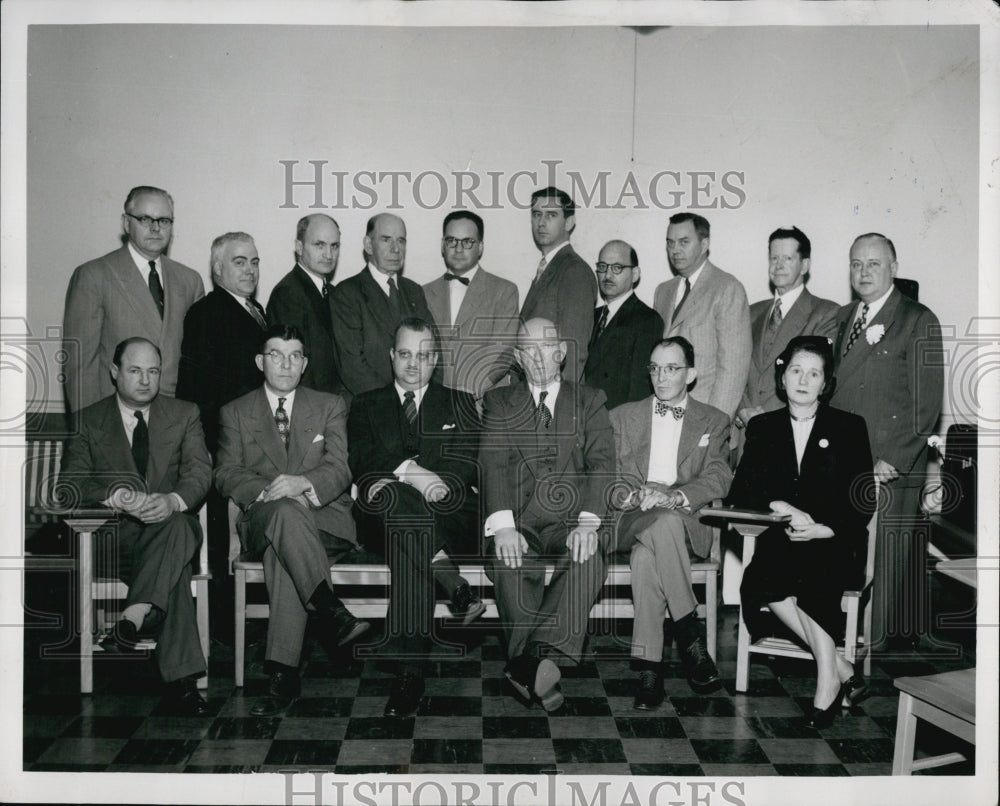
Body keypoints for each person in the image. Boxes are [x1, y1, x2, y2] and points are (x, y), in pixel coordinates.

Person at [215, 325, 369, 716]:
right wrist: (270, 491)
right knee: (284, 515)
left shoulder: (330, 404)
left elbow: (340, 467)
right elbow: (226, 472)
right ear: (259, 361)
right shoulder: (234, 411)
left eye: (294, 356)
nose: (285, 363)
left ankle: (283, 667)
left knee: (284, 550)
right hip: (264, 516)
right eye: (276, 354)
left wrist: (302, 482)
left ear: (304, 364)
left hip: (324, 521)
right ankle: (326, 606)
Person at [727, 335, 876, 728]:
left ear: (826, 383)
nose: (804, 380)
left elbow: (862, 500)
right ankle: (842, 668)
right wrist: (783, 506)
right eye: (796, 370)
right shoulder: (762, 427)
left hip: (836, 540)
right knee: (762, 577)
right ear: (783, 377)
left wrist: (824, 529)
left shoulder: (849, 427)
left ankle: (826, 684)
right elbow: (742, 492)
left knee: (815, 572)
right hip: (784, 538)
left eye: (814, 373)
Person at [59, 337, 211, 714]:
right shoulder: (88, 420)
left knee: (176, 527)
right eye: (134, 370)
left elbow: (199, 472)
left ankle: (130, 617)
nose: (145, 380)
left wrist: (171, 500)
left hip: (172, 528)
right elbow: (69, 487)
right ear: (115, 372)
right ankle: (183, 684)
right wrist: (119, 496)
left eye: (153, 371)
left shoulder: (185, 413)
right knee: (174, 567)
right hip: (114, 541)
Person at [348, 317, 483, 717]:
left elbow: (467, 467)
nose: (413, 364)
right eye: (405, 354)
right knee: (395, 504)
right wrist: (415, 474)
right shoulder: (365, 404)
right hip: (382, 522)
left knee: (402, 517)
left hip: (448, 515)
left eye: (423, 356)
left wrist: (405, 480)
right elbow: (362, 462)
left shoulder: (460, 402)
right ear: (391, 356)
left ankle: (409, 675)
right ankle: (444, 572)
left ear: (436, 359)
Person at [480, 317, 615, 711]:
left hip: (571, 522)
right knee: (508, 562)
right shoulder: (500, 402)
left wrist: (589, 523)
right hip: (520, 523)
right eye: (527, 349)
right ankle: (539, 668)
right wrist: (503, 527)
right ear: (518, 358)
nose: (537, 356)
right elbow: (492, 464)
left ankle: (526, 661)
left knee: (589, 557)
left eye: (545, 347)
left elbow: (603, 463)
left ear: (562, 352)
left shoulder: (589, 401)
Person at [830, 233, 943, 650]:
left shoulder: (916, 318)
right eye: (856, 264)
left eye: (873, 264)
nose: (863, 272)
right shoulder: (843, 316)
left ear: (893, 268)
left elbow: (926, 405)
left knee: (885, 564)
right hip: (844, 461)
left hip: (888, 466)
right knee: (844, 554)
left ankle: (872, 660)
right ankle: (838, 642)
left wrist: (893, 459)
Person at [610, 337, 732, 706]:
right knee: (656, 528)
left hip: (681, 518)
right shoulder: (621, 416)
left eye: (672, 368)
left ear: (691, 374)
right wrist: (634, 495)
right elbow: (607, 473)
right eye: (655, 368)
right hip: (632, 514)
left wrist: (674, 497)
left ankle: (650, 671)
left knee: (648, 554)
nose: (661, 377)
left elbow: (719, 476)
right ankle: (690, 636)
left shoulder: (714, 420)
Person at [176, 232, 268, 640]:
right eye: (239, 262)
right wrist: (215, 450)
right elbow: (198, 392)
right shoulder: (206, 313)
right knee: (221, 542)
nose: (249, 269)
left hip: (253, 445)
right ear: (217, 269)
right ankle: (223, 628)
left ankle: (240, 620)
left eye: (254, 261)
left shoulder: (255, 309)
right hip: (224, 446)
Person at [63, 186, 204, 412]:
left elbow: (197, 365)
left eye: (164, 221)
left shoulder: (190, 280)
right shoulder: (94, 275)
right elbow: (80, 366)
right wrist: (93, 431)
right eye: (145, 219)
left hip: (174, 421)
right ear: (126, 223)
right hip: (115, 418)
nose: (156, 228)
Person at [736, 226, 839, 430]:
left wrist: (769, 416)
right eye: (774, 258)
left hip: (792, 429)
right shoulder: (750, 312)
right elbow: (736, 369)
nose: (778, 265)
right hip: (746, 430)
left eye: (788, 259)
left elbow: (819, 376)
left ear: (804, 265)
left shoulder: (826, 313)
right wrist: (742, 410)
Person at [652, 212, 751, 421]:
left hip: (705, 421)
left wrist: (712, 426)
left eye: (684, 242)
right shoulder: (663, 291)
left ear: (704, 243)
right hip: (665, 419)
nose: (675, 250)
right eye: (670, 243)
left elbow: (732, 372)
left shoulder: (727, 288)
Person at [331, 213, 434, 398]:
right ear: (369, 245)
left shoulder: (414, 291)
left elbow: (434, 348)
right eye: (386, 240)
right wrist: (394, 403)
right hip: (370, 406)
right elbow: (352, 365)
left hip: (417, 404)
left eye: (401, 241)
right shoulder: (347, 293)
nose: (396, 249)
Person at [423, 211, 519, 398]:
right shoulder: (423, 292)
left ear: (480, 247)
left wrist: (471, 392)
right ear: (443, 246)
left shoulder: (504, 291)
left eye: (467, 242)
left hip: (484, 403)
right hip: (434, 403)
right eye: (452, 241)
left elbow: (503, 352)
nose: (458, 249)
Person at [518, 187, 597, 383]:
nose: (541, 223)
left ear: (569, 222)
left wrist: (560, 404)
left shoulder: (574, 271)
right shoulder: (549, 267)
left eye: (551, 215)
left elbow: (574, 349)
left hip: (554, 396)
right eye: (537, 214)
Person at [266, 214, 343, 395]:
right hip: (311, 408)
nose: (328, 254)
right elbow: (290, 367)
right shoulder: (287, 294)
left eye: (334, 246)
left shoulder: (332, 292)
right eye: (319, 245)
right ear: (299, 247)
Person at [584, 239, 665, 409]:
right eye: (602, 267)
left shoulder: (647, 319)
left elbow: (640, 390)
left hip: (616, 424)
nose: (607, 275)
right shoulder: (591, 315)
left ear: (635, 274)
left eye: (617, 268)